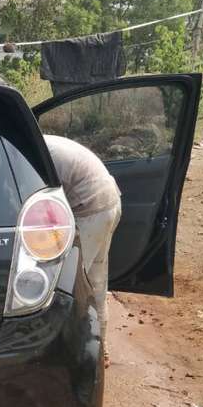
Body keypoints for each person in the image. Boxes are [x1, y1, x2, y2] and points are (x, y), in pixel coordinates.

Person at [44, 135, 122, 348]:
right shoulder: (45, 143)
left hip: (89, 211)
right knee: (96, 278)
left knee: (72, 283)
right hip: (110, 202)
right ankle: (100, 345)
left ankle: (74, 346)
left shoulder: (30, 155)